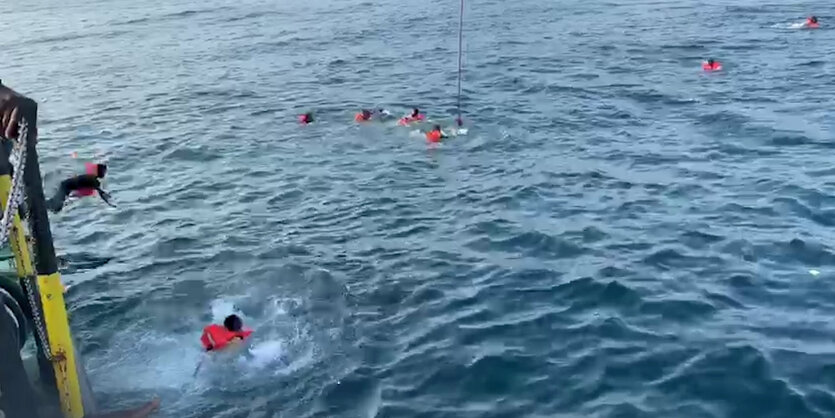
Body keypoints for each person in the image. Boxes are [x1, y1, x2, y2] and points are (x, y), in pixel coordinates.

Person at [46, 163, 115, 213]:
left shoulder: (92, 178)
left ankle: (45, 205)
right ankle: (43, 205)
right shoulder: (93, 180)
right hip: (66, 186)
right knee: (57, 206)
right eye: (104, 171)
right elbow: (101, 193)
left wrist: (108, 200)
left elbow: (101, 193)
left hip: (66, 185)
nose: (104, 173)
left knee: (57, 205)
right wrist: (110, 203)